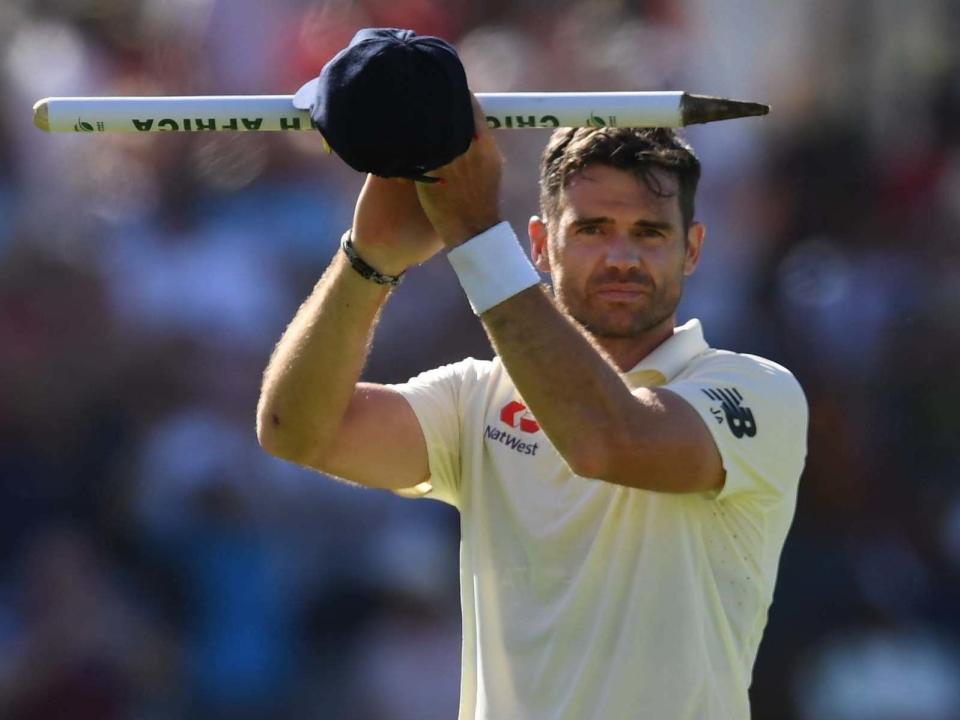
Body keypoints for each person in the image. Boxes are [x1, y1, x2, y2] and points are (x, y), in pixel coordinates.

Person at [257, 98, 808, 720]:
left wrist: (475, 236)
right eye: (593, 229)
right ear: (541, 245)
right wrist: (368, 260)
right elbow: (296, 432)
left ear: (692, 249)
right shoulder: (480, 395)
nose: (623, 258)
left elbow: (606, 441)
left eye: (650, 233)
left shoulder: (758, 390)